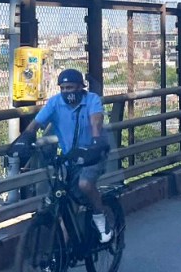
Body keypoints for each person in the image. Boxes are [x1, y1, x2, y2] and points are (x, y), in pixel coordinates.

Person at [13, 68, 113, 242]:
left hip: (92, 152)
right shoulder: (55, 103)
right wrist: (25, 138)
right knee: (59, 196)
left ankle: (100, 217)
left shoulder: (92, 100)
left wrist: (96, 141)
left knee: (84, 185)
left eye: (71, 88)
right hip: (69, 157)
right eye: (63, 88)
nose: (67, 92)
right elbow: (36, 123)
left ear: (81, 87)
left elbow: (96, 121)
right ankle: (64, 244)